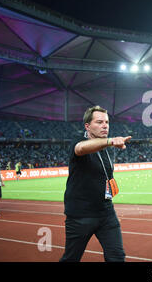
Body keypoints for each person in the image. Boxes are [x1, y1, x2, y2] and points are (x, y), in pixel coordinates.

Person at [59, 105, 131, 262]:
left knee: (117, 257)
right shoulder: (79, 141)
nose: (105, 125)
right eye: (99, 122)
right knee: (71, 258)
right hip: (81, 215)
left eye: (106, 122)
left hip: (106, 212)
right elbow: (81, 149)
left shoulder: (103, 146)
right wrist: (110, 141)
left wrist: (107, 143)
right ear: (87, 126)